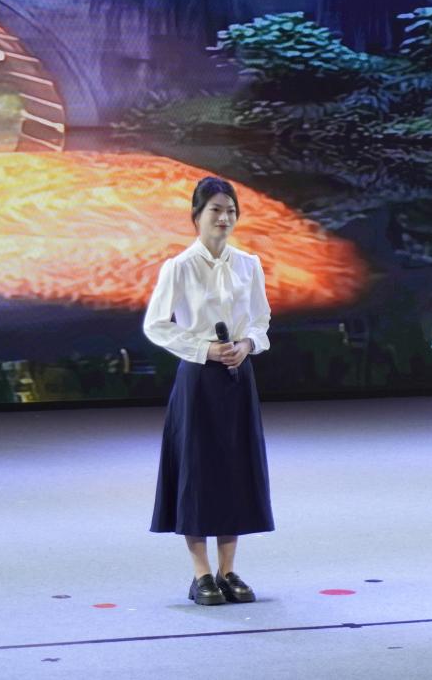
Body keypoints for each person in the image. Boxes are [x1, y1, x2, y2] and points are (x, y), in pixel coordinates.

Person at [144, 176, 274, 606]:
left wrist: (247, 344)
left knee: (234, 469)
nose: (224, 218)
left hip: (238, 377)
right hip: (199, 379)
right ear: (196, 216)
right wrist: (204, 349)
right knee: (197, 474)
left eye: (230, 210)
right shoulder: (179, 267)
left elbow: (260, 320)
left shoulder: (248, 264)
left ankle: (228, 569)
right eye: (216, 210)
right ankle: (201, 573)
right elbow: (156, 325)